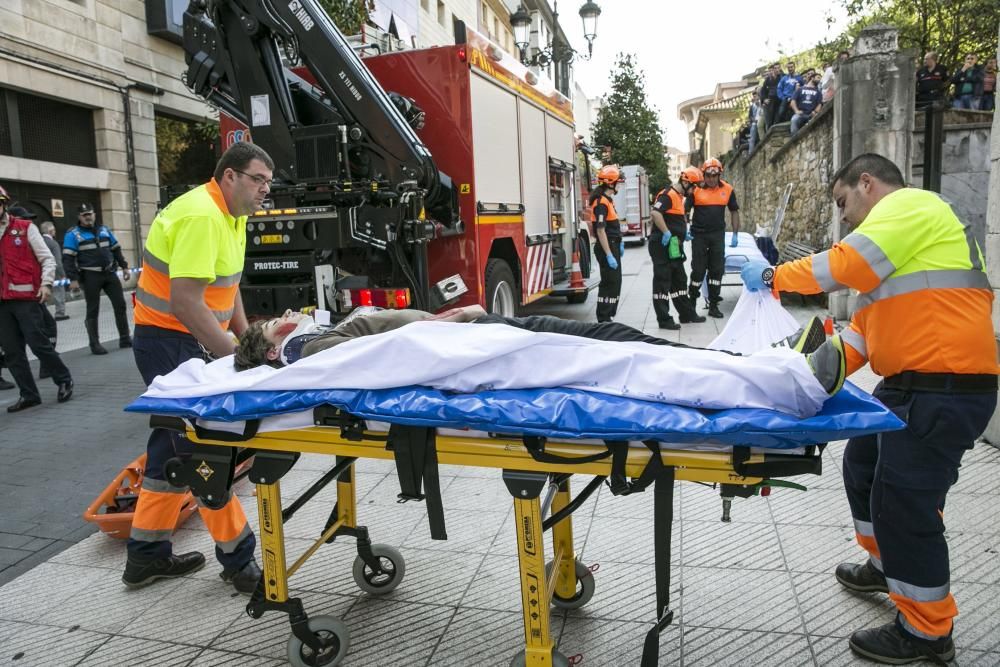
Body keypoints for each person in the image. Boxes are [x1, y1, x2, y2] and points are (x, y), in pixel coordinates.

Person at [741, 153, 998, 664]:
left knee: (904, 502)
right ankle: (888, 565)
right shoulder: (901, 249)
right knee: (862, 465)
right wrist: (795, 375)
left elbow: (841, 266)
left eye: (843, 204)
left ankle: (928, 630)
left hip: (944, 386)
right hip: (914, 385)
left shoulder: (911, 206)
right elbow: (859, 336)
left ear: (868, 183)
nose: (844, 218)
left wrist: (773, 276)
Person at [123, 142, 275, 593]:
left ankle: (146, 558)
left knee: (169, 451)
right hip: (167, 342)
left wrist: (248, 340)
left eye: (268, 181)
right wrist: (235, 357)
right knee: (202, 449)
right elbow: (186, 301)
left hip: (183, 339)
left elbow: (228, 288)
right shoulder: (201, 216)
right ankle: (239, 560)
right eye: (257, 179)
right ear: (229, 176)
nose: (265, 189)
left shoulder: (233, 215)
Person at [232, 306, 841, 405]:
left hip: (482, 334)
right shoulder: (304, 347)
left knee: (618, 343)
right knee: (628, 363)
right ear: (276, 333)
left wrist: (449, 319)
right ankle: (782, 379)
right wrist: (451, 332)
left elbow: (382, 335)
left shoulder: (318, 337)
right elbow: (384, 354)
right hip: (483, 350)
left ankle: (757, 360)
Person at [0, 186, 74, 412]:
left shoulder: (24, 228)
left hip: (26, 298)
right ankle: (29, 394)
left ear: (3, 204)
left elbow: (47, 259)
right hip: (2, 303)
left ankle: (63, 379)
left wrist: (46, 284)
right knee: (12, 352)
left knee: (39, 344)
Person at [62, 203, 132, 354]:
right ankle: (94, 344)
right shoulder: (73, 234)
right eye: (84, 214)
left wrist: (124, 266)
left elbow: (116, 249)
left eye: (90, 213)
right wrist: (73, 279)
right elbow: (67, 259)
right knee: (93, 309)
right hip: (90, 275)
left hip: (109, 273)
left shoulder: (104, 230)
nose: (88, 217)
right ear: (79, 217)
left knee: (120, 305)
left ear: (94, 214)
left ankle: (125, 338)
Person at [649, 168, 706, 330]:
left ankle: (687, 314)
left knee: (679, 279)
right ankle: (664, 319)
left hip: (673, 244)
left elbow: (673, 219)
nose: (694, 190)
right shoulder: (668, 195)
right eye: (693, 186)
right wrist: (667, 232)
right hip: (662, 244)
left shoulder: (678, 197)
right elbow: (656, 213)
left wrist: (682, 233)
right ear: (685, 182)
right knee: (662, 282)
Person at [686, 158, 740, 319]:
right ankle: (692, 303)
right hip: (699, 235)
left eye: (714, 175)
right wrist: (685, 230)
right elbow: (685, 211)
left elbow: (734, 211)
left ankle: (714, 305)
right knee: (698, 270)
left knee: (717, 271)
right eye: (708, 175)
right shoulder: (695, 190)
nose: (711, 179)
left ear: (719, 175)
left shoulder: (728, 190)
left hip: (717, 235)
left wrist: (735, 233)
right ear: (704, 175)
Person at [590, 165, 625, 323]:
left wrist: (620, 243)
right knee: (609, 282)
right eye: (618, 181)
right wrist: (609, 254)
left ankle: (608, 315)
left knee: (615, 282)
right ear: (611, 183)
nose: (619, 184)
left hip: (612, 244)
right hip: (606, 247)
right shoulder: (601, 203)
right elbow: (601, 230)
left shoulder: (607, 201)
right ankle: (603, 317)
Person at [38, 221, 69, 321]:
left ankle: (42, 314)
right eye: (54, 230)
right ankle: (60, 313)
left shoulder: (38, 241)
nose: (55, 232)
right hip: (54, 271)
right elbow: (58, 261)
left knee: (42, 292)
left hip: (40, 271)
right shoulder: (53, 243)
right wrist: (63, 274)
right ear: (51, 231)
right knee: (59, 291)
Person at [759, 62, 782, 131]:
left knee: (777, 119)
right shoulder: (768, 80)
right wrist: (764, 99)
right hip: (770, 102)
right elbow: (762, 91)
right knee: (769, 122)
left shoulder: (782, 77)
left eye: (777, 68)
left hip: (779, 101)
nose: (774, 71)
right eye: (773, 69)